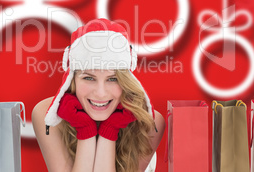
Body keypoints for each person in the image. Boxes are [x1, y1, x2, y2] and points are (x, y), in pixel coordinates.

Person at [32, 18, 165, 172]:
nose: (101, 93)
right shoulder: (46, 114)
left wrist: (110, 130)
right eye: (89, 78)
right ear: (71, 79)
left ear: (126, 81)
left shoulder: (149, 122)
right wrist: (85, 129)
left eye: (113, 79)